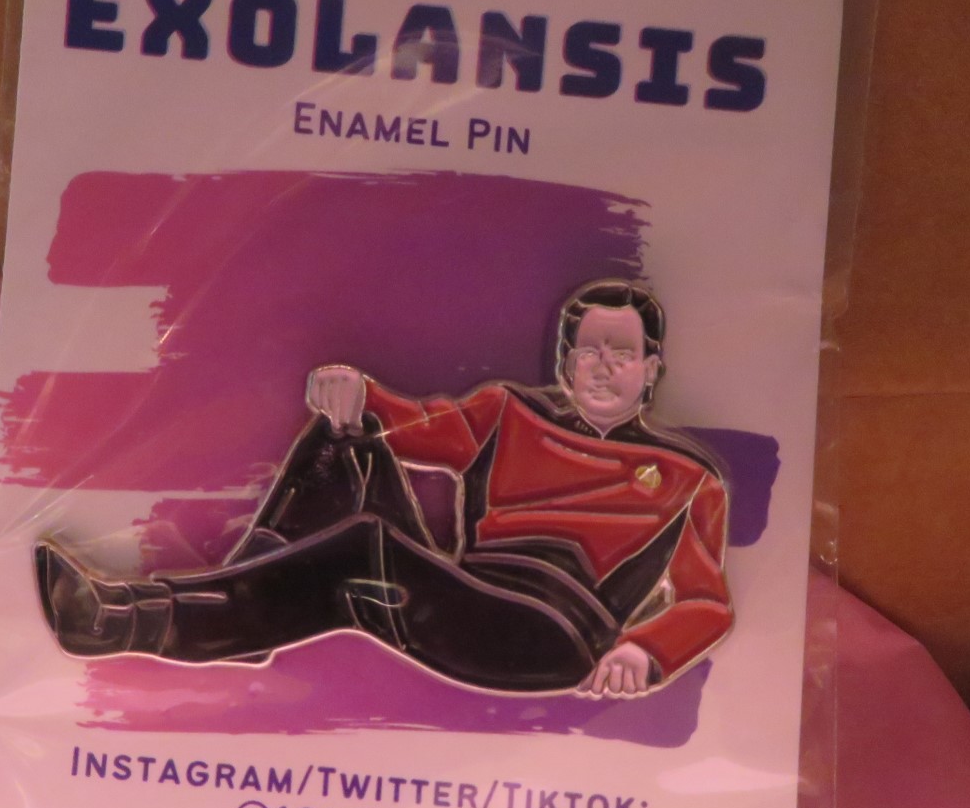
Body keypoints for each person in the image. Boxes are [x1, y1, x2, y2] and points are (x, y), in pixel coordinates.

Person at [36, 280, 733, 698]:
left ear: (651, 368)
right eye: (589, 352)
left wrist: (645, 652)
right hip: (464, 594)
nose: (603, 368)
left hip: (550, 634)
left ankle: (127, 619)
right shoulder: (510, 412)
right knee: (346, 440)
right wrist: (357, 394)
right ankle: (236, 619)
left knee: (367, 545)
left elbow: (706, 602)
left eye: (622, 354)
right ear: (566, 361)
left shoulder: (688, 478)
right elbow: (414, 428)